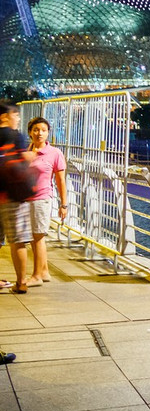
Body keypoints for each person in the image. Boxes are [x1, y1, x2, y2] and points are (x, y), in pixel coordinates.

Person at [25, 117, 68, 285]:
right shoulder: (27, 151)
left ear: (48, 133)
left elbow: (61, 181)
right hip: (26, 199)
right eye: (36, 130)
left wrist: (63, 204)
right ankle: (44, 272)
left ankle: (36, 276)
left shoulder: (55, 153)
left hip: (42, 198)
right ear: (30, 132)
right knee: (33, 237)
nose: (39, 133)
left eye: (43, 130)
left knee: (38, 236)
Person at [0, 102, 35, 293]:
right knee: (18, 241)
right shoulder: (15, 135)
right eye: (16, 115)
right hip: (13, 196)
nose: (18, 119)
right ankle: (21, 282)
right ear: (5, 117)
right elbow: (25, 160)